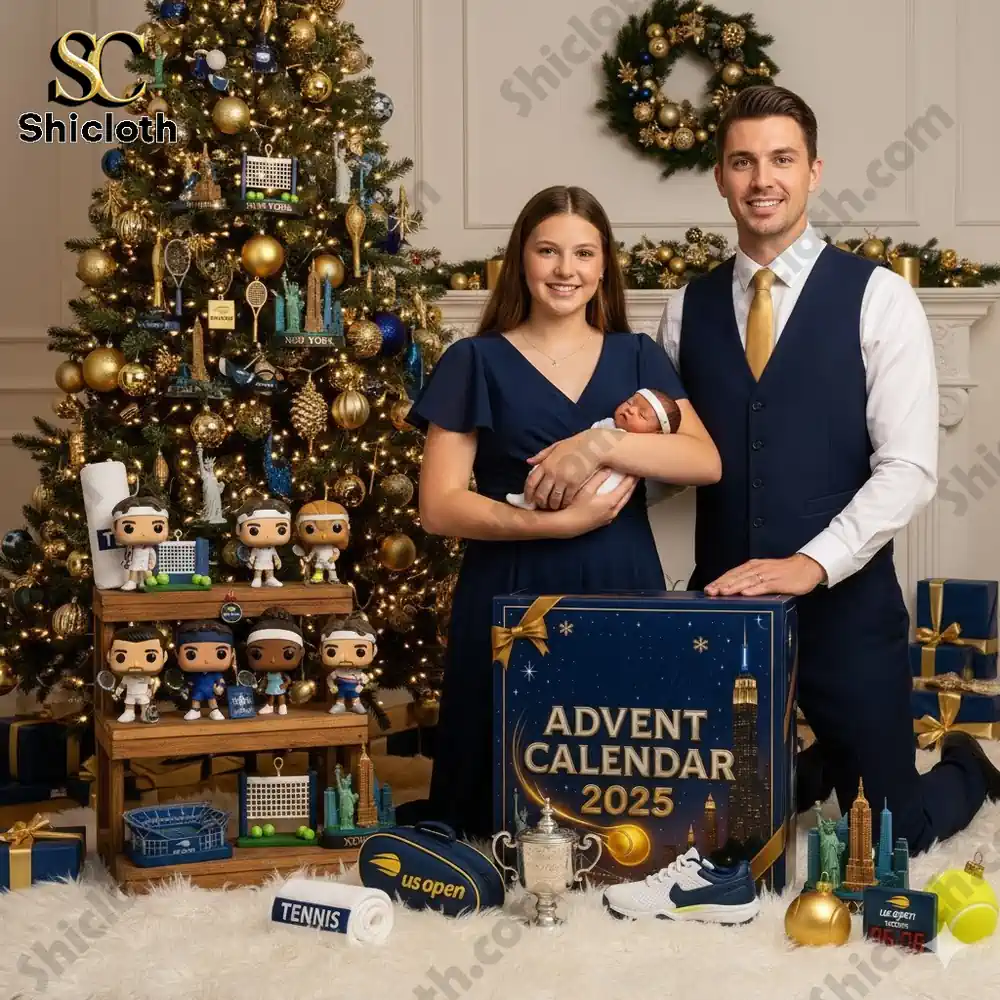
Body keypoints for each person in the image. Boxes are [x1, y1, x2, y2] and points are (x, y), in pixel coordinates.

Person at [654, 85, 1000, 856]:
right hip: (726, 615)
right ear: (719, 177)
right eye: (743, 161)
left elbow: (908, 468)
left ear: (814, 170)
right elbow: (672, 466)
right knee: (707, 835)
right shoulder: (686, 307)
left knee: (890, 840)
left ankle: (968, 769)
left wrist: (812, 564)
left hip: (847, 612)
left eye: (781, 159)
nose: (762, 179)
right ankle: (809, 771)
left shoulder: (880, 297)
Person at [409, 185, 721, 839]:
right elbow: (438, 506)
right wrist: (550, 524)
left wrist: (602, 442)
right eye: (548, 251)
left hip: (620, 582)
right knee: (498, 793)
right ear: (521, 259)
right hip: (510, 590)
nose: (565, 270)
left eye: (583, 253)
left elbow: (704, 461)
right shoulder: (476, 359)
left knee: (618, 767)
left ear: (605, 264)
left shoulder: (637, 355)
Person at [506, 388, 681, 509]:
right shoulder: (607, 424)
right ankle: (528, 499)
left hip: (602, 490)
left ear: (657, 434)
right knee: (543, 471)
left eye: (642, 414)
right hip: (574, 465)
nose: (631, 410)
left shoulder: (644, 446)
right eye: (630, 402)